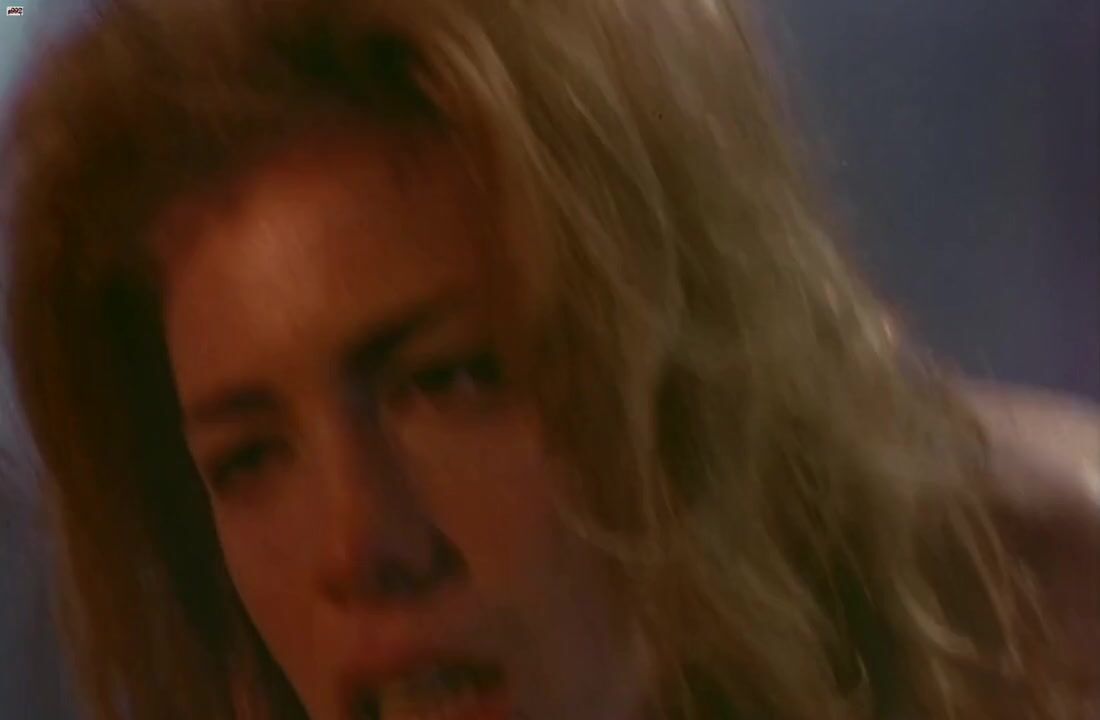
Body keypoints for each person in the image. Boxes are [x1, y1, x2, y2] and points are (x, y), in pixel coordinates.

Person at [1, 0, 1096, 718]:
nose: (362, 546)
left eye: (446, 383)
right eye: (249, 461)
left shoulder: (1041, 615)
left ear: (687, 361)